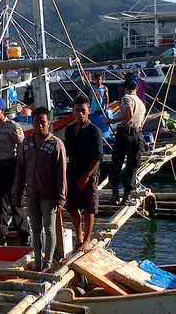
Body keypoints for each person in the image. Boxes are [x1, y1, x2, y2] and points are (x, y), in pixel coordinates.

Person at [13, 106, 67, 272]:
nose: (40, 126)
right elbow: (20, 170)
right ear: (33, 123)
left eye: (43, 122)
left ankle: (48, 264)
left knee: (49, 229)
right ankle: (37, 263)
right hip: (32, 194)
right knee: (35, 230)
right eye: (36, 122)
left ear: (48, 123)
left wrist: (61, 198)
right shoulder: (26, 144)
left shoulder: (56, 144)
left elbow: (61, 173)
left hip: (49, 195)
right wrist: (17, 194)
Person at [0, 96, 31, 245]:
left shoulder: (12, 127)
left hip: (11, 165)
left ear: (2, 111)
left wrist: (24, 171)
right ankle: (1, 234)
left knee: (15, 201)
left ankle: (24, 234)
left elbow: (24, 148)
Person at [64, 95, 103, 253]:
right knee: (72, 207)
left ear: (88, 112)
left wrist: (87, 175)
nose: (80, 114)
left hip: (89, 174)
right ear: (73, 111)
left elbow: (98, 157)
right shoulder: (70, 130)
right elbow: (66, 152)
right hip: (73, 172)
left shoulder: (94, 130)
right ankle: (78, 237)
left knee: (89, 208)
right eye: (77, 110)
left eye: (83, 111)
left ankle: (87, 239)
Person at [104, 78, 147, 205]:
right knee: (132, 166)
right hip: (137, 135)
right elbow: (141, 122)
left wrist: (112, 121)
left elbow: (128, 113)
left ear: (126, 88)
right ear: (137, 88)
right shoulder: (141, 103)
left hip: (125, 135)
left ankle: (115, 194)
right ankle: (127, 196)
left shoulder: (126, 98)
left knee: (116, 164)